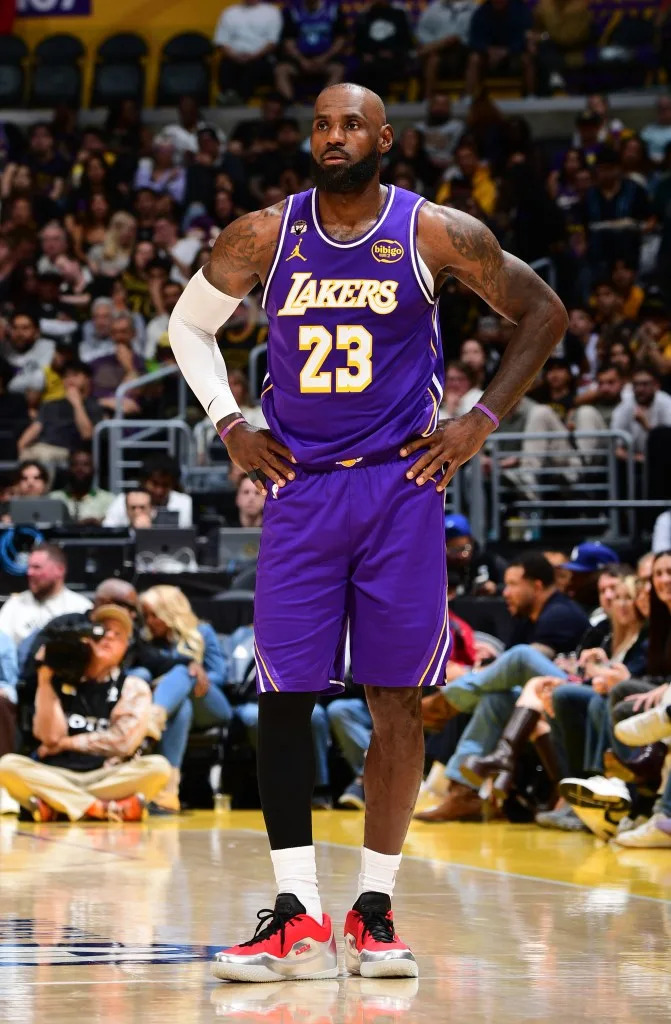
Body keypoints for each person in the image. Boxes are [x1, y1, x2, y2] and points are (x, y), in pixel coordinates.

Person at [168, 82, 567, 982]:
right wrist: (231, 421)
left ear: (386, 138)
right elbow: (188, 327)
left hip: (402, 485)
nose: (334, 135)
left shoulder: (435, 232)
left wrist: (480, 420)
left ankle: (376, 911)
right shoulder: (265, 233)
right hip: (302, 488)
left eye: (352, 123)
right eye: (320, 122)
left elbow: (543, 314)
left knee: (394, 699)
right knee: (284, 694)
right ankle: (295, 917)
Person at [0, 605, 171, 822]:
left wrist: (66, 744)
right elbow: (50, 737)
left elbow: (122, 742)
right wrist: (44, 678)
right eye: (101, 630)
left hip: (106, 775)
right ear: (87, 637)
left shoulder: (132, 686)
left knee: (158, 768)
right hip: (57, 773)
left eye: (117, 634)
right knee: (7, 766)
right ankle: (100, 808)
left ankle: (58, 806)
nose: (108, 636)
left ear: (125, 647)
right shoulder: (59, 680)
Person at [139, 586, 232, 813]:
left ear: (170, 612)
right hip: (179, 705)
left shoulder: (203, 632)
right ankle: (169, 794)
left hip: (210, 704)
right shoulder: (146, 640)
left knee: (185, 672)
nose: (150, 621)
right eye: (147, 616)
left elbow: (220, 675)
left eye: (155, 615)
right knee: (182, 709)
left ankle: (153, 720)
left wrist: (198, 674)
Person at [0, 543, 92, 648]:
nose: (29, 572)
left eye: (36, 567)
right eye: (29, 567)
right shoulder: (14, 605)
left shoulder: (80, 607)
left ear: (60, 570)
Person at [17, 361, 101, 469]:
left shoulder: (93, 405)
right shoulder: (50, 404)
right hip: (41, 447)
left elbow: (87, 434)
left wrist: (77, 404)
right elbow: (35, 428)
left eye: (75, 375)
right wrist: (21, 444)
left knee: (44, 455)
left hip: (68, 450)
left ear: (87, 379)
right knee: (26, 454)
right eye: (65, 377)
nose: (70, 380)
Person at [214, 0, 283, 102]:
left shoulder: (272, 12)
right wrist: (235, 56)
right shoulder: (230, 13)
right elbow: (221, 42)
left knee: (256, 66)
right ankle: (228, 95)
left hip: (261, 56)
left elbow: (272, 42)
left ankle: (241, 99)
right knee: (226, 64)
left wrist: (253, 56)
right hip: (234, 56)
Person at [103, 455, 193, 528]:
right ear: (143, 482)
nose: (159, 491)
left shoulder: (183, 503)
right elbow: (109, 533)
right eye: (155, 484)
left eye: (165, 485)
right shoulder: (123, 501)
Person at [50, 448, 114, 524]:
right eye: (75, 464)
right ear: (68, 470)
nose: (80, 469)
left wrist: (99, 523)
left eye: (86, 464)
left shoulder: (109, 500)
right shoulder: (53, 499)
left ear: (94, 470)